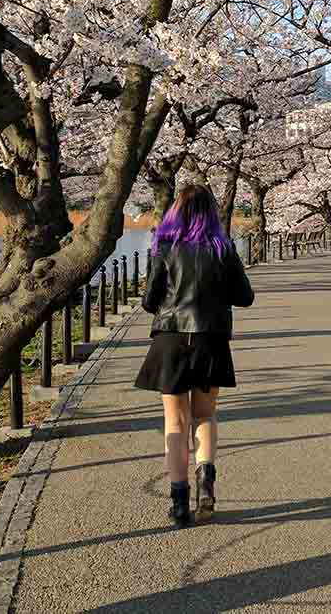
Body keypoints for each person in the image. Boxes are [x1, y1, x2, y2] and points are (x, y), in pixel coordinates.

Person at [135, 185, 254, 527]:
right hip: (211, 341)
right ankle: (206, 486)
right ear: (211, 214)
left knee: (175, 423)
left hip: (172, 339)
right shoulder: (223, 249)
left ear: (177, 211)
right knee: (204, 416)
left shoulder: (165, 248)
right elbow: (245, 296)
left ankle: (178, 503)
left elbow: (148, 301)